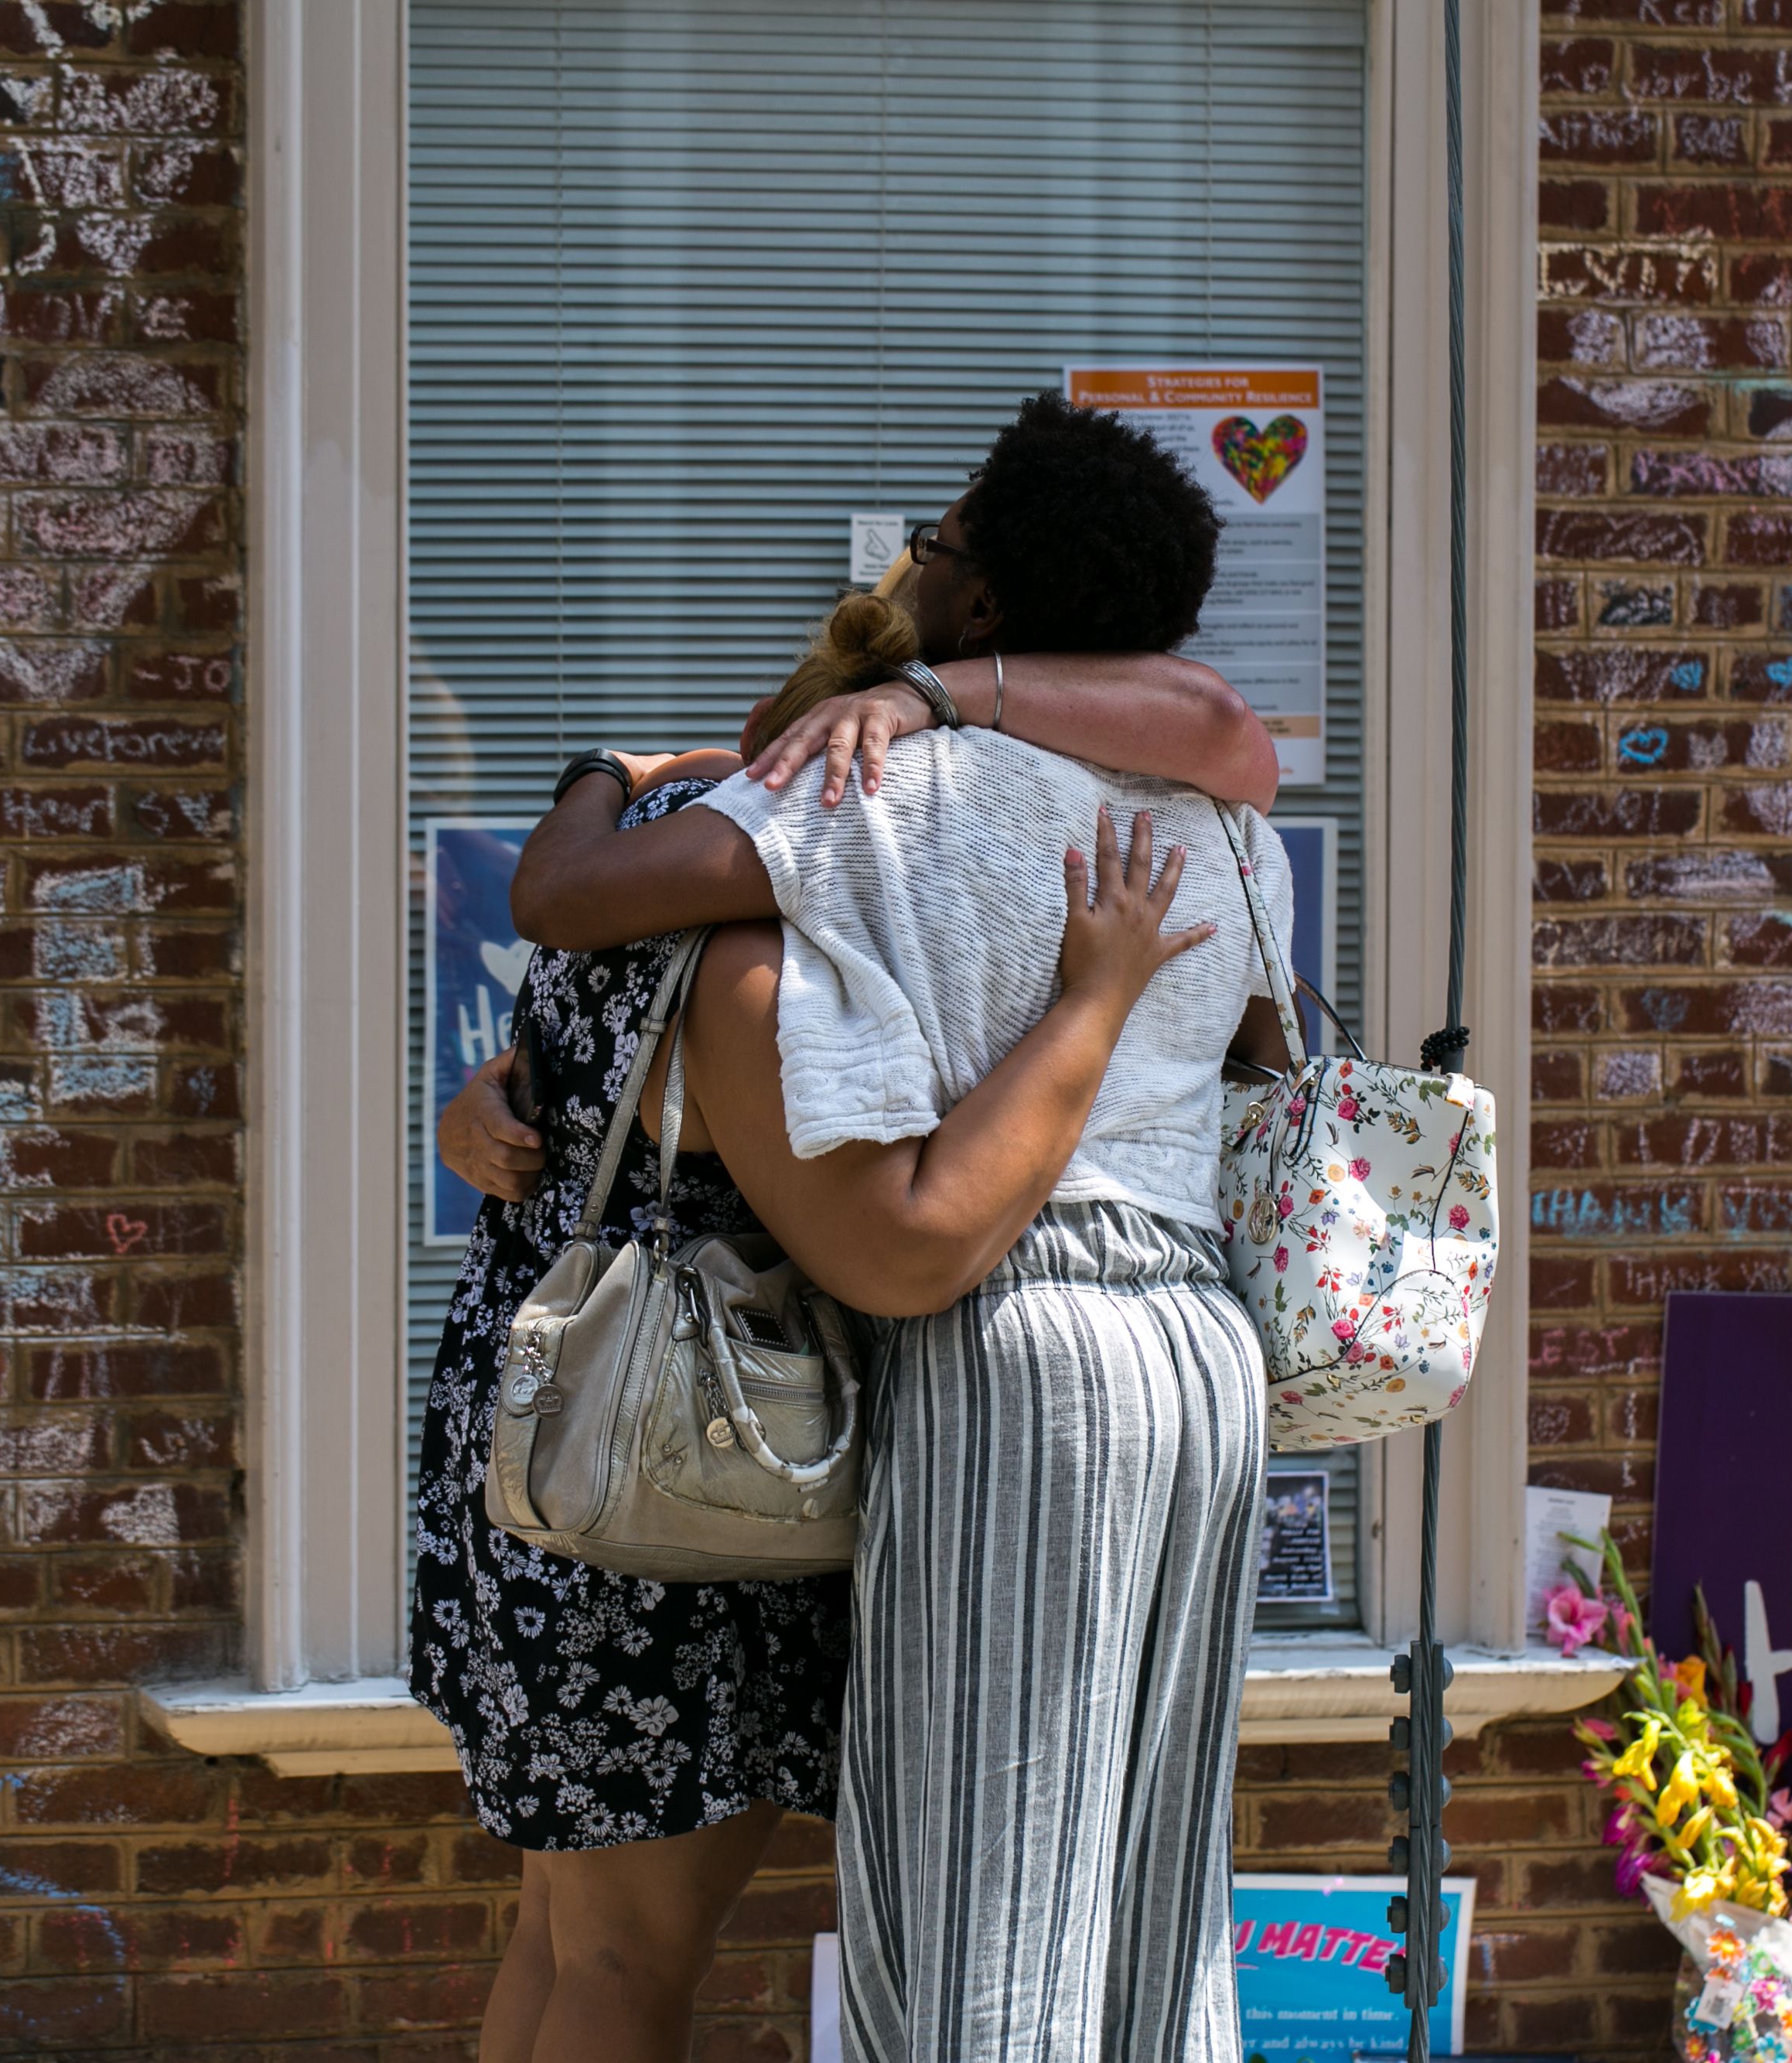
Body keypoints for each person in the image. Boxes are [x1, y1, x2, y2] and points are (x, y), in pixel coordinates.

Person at [503, 392, 1292, 2061]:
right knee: (1154, 1911)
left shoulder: (885, 786)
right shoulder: (1219, 818)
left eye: (933, 548)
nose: (910, 569)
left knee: (977, 1898)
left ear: (986, 596)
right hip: (1206, 1352)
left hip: (1020, 1335)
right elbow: (1251, 1039)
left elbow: (574, 904)